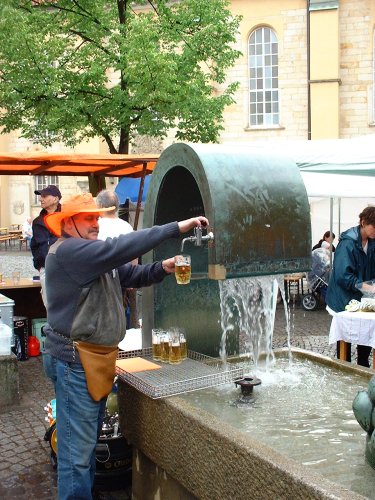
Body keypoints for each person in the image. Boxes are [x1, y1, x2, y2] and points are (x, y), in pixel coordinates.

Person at [42, 192, 209, 500]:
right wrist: (176, 228)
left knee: (85, 449)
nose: (95, 224)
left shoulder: (89, 253)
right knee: (75, 458)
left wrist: (164, 267)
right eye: (87, 218)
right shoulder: (68, 252)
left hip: (93, 359)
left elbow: (130, 274)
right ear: (68, 223)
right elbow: (121, 249)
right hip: (75, 361)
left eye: (96, 217)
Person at [326, 207, 375, 367]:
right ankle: (343, 367)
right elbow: (343, 276)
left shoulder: (372, 242)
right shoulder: (348, 243)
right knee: (345, 341)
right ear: (363, 222)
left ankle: (363, 365)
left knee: (366, 333)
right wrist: (367, 287)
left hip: (360, 297)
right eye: (374, 227)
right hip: (342, 297)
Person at [30, 185, 62, 307]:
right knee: (49, 304)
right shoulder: (37, 221)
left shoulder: (66, 217)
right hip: (45, 268)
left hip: (64, 267)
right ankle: (53, 326)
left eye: (44, 196)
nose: (40, 199)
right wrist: (38, 264)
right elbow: (34, 245)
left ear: (55, 199)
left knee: (66, 302)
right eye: (40, 196)